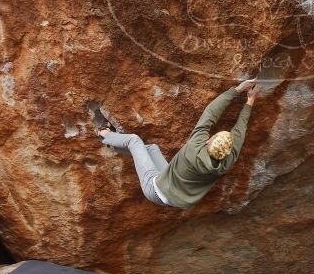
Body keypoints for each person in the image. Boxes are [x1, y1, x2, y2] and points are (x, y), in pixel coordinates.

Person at [99, 79, 260, 209]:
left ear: (209, 140)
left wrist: (238, 90)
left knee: (134, 140)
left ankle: (103, 134)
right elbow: (239, 133)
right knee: (152, 148)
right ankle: (114, 145)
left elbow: (211, 113)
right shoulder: (226, 163)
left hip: (154, 188)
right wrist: (250, 102)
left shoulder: (195, 146)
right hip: (172, 198)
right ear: (228, 152)